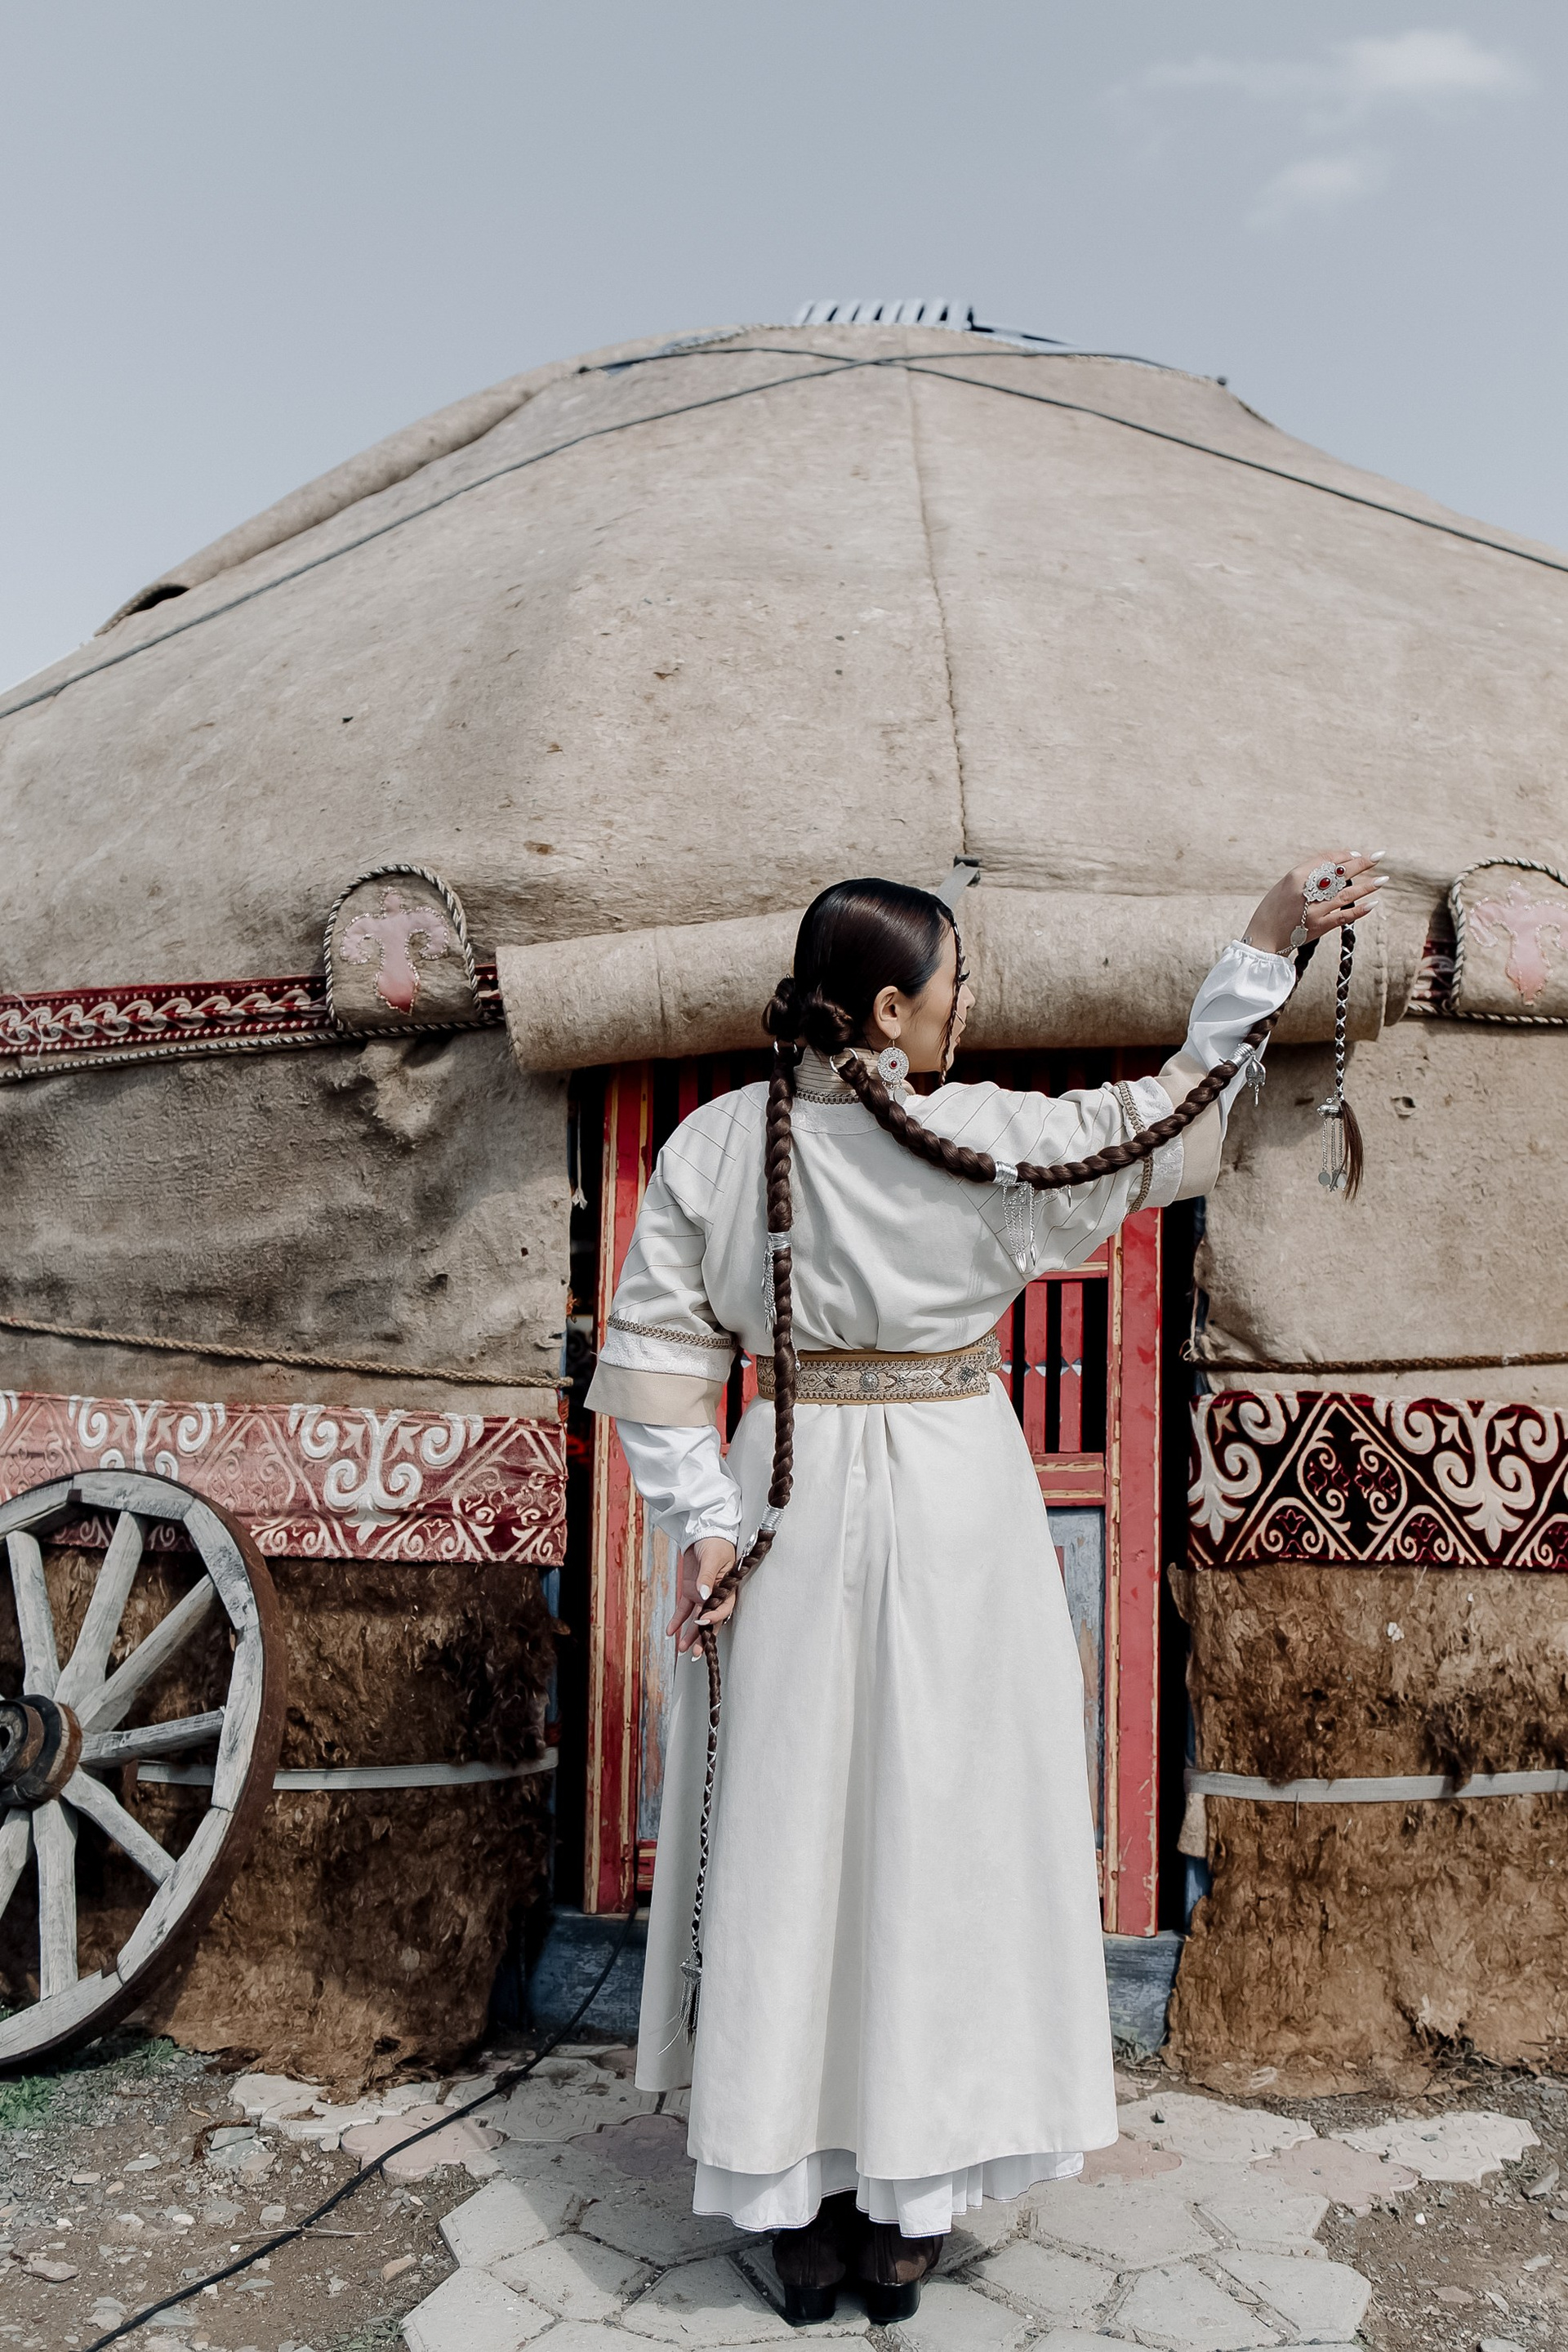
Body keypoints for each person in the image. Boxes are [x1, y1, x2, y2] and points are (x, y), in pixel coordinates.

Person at [584, 856, 1383, 2323]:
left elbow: (657, 1354)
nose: (969, 1007)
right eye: (954, 985)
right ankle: (910, 2213)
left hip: (782, 1502)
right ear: (891, 1009)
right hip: (957, 1497)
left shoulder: (716, 1145)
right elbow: (1169, 1112)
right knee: (934, 1832)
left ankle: (797, 2205)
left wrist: (703, 1525)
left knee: (796, 1829)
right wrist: (1266, 946)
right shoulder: (987, 1141)